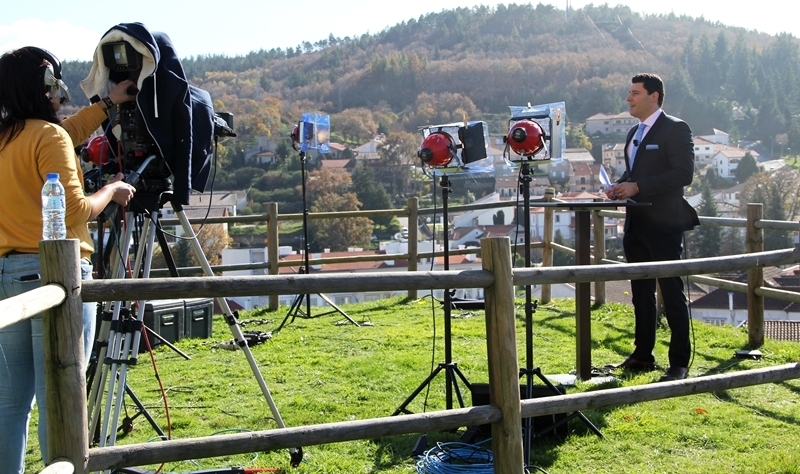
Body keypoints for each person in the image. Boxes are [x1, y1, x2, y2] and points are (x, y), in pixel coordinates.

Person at [0, 47, 136, 473]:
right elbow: (75, 210)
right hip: (53, 273)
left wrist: (107, 103)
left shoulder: (10, 137)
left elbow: (64, 133)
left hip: (6, 275)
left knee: (11, 401)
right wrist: (111, 192)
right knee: (60, 393)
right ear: (44, 87)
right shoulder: (48, 136)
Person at [606, 73, 700, 383]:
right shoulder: (634, 132)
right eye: (629, 92)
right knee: (640, 293)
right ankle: (643, 355)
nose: (628, 98)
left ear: (654, 96)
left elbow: (683, 174)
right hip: (635, 224)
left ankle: (679, 363)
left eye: (635, 93)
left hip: (664, 225)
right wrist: (619, 186)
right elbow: (634, 173)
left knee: (671, 293)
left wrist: (638, 187)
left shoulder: (676, 128)